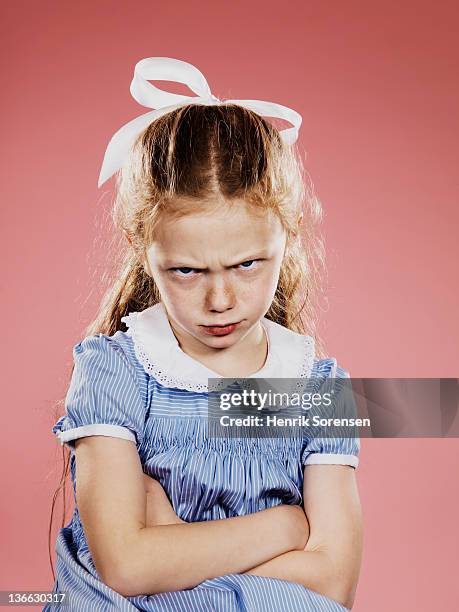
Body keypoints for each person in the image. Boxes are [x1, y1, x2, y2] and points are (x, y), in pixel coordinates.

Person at [45, 57, 362, 612]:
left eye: (247, 264)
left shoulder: (320, 390)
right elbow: (124, 568)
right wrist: (286, 526)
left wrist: (171, 546)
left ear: (288, 237)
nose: (220, 301)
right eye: (186, 271)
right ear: (144, 249)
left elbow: (334, 585)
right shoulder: (115, 371)